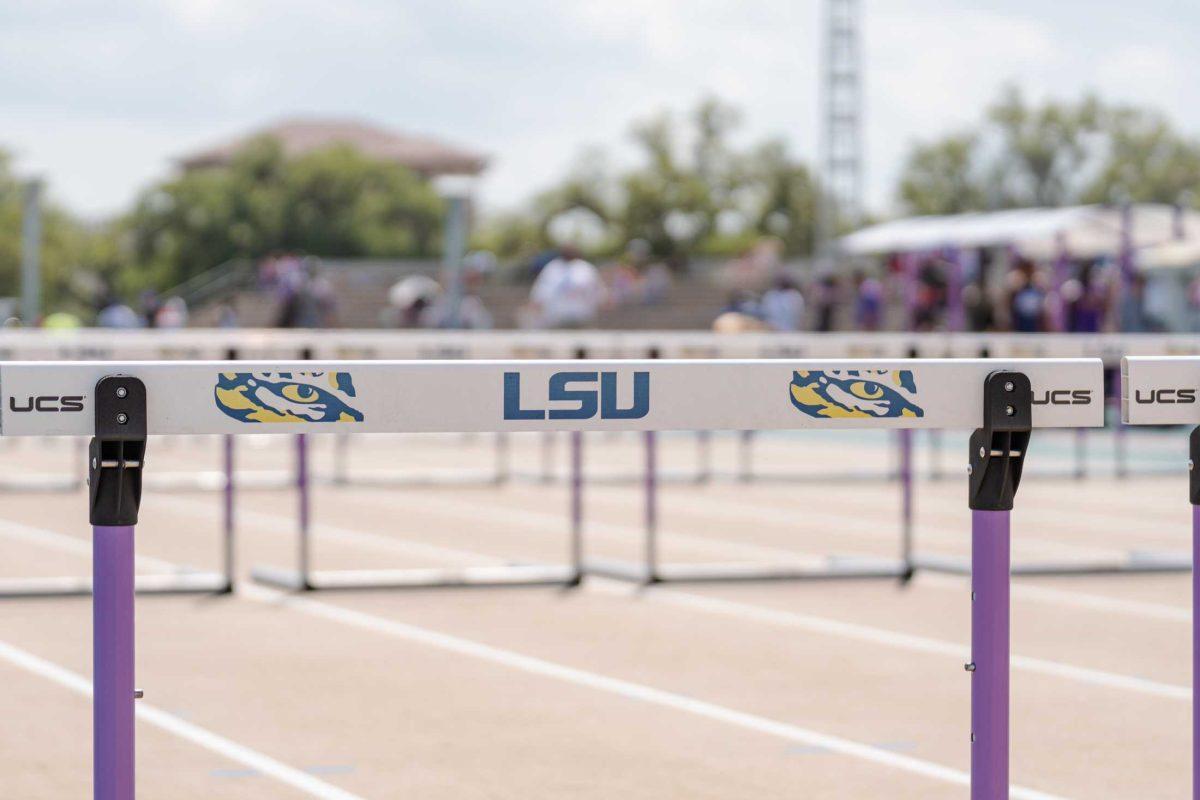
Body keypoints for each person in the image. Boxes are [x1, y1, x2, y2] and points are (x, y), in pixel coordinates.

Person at [528, 245, 605, 328]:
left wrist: (602, 300)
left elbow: (597, 290)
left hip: (582, 317)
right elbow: (542, 291)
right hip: (556, 317)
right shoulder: (552, 268)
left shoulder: (585, 268)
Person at [1007, 257, 1048, 333]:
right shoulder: (1017, 282)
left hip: (1034, 319)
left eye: (1029, 269)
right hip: (1020, 319)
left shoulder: (1037, 282)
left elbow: (1041, 302)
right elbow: (1010, 301)